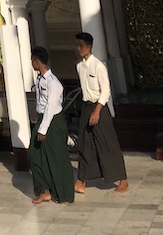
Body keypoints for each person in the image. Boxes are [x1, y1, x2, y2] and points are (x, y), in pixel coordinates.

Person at [74, 32, 128, 194]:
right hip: (86, 106)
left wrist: (97, 112)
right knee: (84, 142)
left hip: (100, 108)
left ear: (89, 47)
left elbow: (105, 91)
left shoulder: (98, 66)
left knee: (107, 143)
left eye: (81, 46)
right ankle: (81, 180)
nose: (79, 49)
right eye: (77, 46)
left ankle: (123, 180)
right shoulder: (79, 67)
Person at [29, 46, 75, 205]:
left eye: (32, 60)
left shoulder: (53, 83)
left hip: (53, 121)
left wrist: (43, 129)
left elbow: (50, 106)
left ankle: (65, 194)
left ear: (36, 61)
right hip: (42, 118)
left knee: (58, 157)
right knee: (34, 155)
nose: (31, 63)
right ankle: (45, 191)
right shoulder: (39, 78)